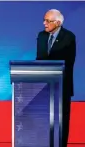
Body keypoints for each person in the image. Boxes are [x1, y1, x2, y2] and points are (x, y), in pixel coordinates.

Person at [36, 9, 76, 147]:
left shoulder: (69, 37)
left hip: (62, 85)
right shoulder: (41, 36)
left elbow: (68, 61)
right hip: (43, 85)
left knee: (61, 120)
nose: (44, 23)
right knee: (43, 118)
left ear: (58, 23)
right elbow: (39, 59)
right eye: (44, 20)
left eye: (48, 21)